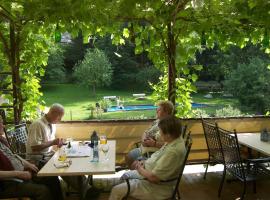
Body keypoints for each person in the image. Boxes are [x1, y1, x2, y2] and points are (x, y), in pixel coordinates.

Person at [109, 116, 186, 200]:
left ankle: (125, 191)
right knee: (125, 176)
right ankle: (125, 190)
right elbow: (158, 156)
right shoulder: (174, 140)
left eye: (160, 132)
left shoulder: (173, 152)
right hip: (148, 174)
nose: (159, 134)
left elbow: (154, 178)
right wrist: (144, 163)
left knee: (116, 190)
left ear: (168, 134)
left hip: (156, 187)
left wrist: (140, 168)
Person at [0, 120, 63, 200]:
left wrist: (28, 164)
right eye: (1, 123)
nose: (3, 126)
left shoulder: (1, 141)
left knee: (51, 178)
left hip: (21, 173)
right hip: (6, 183)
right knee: (42, 190)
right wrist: (18, 174)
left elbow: (13, 155)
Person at [125, 100, 174, 168]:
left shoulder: (170, 125)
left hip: (154, 153)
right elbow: (146, 131)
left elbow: (170, 145)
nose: (156, 111)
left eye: (159, 110)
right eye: (157, 109)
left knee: (131, 158)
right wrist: (143, 140)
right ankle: (138, 174)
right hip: (146, 148)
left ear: (166, 112)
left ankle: (140, 174)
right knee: (128, 157)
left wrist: (154, 143)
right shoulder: (157, 121)